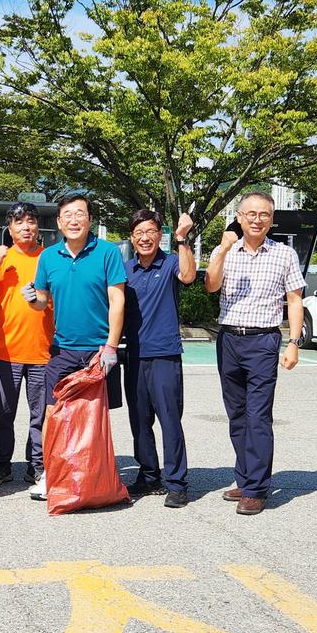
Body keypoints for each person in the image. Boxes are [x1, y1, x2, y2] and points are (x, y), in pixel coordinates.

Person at [204, 191, 305, 515]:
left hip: (263, 342)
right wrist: (222, 247)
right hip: (229, 339)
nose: (257, 219)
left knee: (258, 416)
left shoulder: (284, 254)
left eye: (264, 214)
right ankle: (246, 478)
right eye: (251, 214)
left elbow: (294, 299)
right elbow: (211, 285)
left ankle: (257, 489)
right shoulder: (227, 252)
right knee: (237, 415)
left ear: (271, 219)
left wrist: (293, 343)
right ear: (239, 217)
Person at [27, 191, 126, 501]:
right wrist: (34, 299)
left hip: (99, 350)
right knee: (53, 413)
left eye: (79, 213)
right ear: (59, 221)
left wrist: (111, 346)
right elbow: (43, 301)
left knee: (95, 416)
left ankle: (95, 475)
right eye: (67, 215)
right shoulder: (48, 256)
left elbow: (117, 300)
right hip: (62, 349)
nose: (73, 219)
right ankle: (49, 474)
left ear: (89, 219)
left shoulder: (108, 252)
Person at [122, 210, 196, 508]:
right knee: (139, 420)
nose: (145, 237)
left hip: (165, 353)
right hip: (134, 354)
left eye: (150, 231)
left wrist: (183, 239)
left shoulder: (172, 263)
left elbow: (189, 276)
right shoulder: (125, 269)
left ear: (159, 234)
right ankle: (149, 474)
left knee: (169, 420)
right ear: (131, 238)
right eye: (139, 232)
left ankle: (176, 482)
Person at [0, 202, 54, 487]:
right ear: (10, 228)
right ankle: (2, 464)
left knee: (40, 414)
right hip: (6, 350)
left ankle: (36, 464)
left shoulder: (50, 257)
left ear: (38, 227)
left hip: (43, 350)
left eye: (31, 221)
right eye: (19, 222)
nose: (26, 227)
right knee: (3, 413)